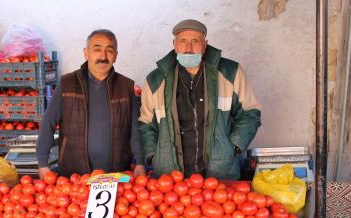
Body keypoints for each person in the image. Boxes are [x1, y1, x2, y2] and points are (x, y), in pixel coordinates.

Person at [138, 19, 262, 179]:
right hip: (171, 178)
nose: (188, 48)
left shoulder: (230, 72)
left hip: (219, 172)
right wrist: (155, 156)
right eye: (183, 41)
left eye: (195, 41)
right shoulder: (155, 80)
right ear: (174, 44)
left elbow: (250, 113)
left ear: (205, 44)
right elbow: (146, 124)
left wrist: (233, 148)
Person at [37, 29, 145, 178]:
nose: (103, 56)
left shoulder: (126, 86)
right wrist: (43, 163)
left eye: (109, 50)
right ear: (86, 53)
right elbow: (48, 123)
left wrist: (140, 162)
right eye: (97, 49)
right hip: (74, 175)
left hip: (116, 174)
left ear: (116, 56)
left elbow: (135, 128)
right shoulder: (67, 83)